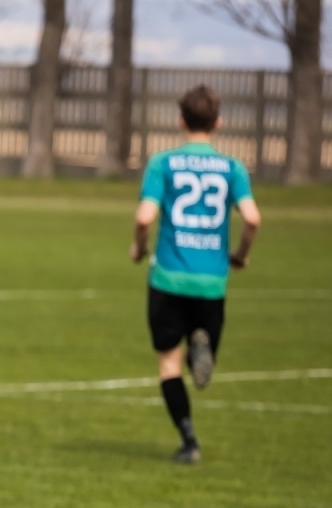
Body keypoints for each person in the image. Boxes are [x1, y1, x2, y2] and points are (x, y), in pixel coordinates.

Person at [130, 84, 261, 465]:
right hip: (211, 280)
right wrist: (240, 255)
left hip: (168, 277)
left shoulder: (163, 163)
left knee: (168, 364)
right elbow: (252, 218)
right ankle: (200, 351)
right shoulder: (233, 168)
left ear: (180, 121)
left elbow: (144, 218)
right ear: (218, 123)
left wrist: (139, 248)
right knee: (199, 350)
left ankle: (189, 440)